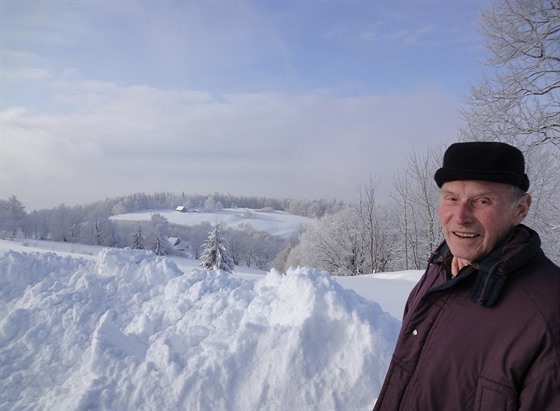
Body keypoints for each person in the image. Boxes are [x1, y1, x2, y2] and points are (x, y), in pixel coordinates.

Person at [373, 142, 560, 411]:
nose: (460, 217)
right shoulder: (439, 271)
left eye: (482, 201)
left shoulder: (549, 312)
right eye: (451, 198)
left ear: (521, 209)